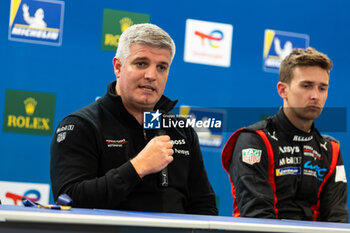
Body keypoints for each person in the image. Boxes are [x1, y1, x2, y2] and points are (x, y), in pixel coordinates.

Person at [50, 23, 218, 215]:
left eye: (161, 67)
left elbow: (204, 206)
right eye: (141, 64)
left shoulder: (181, 129)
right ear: (118, 67)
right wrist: (138, 166)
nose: (151, 75)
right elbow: (69, 200)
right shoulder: (80, 126)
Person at [221, 47, 348, 222]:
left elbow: (336, 218)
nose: (315, 96)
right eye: (306, 85)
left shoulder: (331, 150)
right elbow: (258, 217)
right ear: (283, 90)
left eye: (322, 88)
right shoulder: (255, 140)